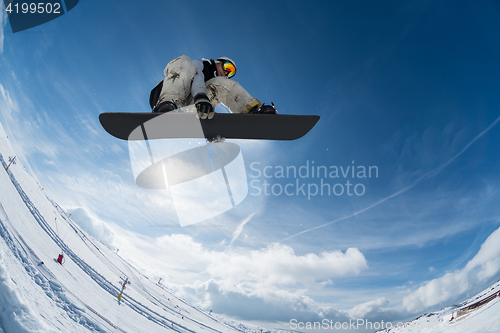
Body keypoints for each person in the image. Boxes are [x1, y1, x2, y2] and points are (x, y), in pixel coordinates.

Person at [149, 55, 277, 119]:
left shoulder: (214, 82)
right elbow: (198, 78)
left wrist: (213, 133)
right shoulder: (201, 65)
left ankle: (251, 112)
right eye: (227, 67)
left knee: (223, 84)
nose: (227, 72)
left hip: (191, 105)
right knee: (185, 61)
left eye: (230, 72)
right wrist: (201, 96)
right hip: (170, 92)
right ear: (218, 62)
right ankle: (167, 105)